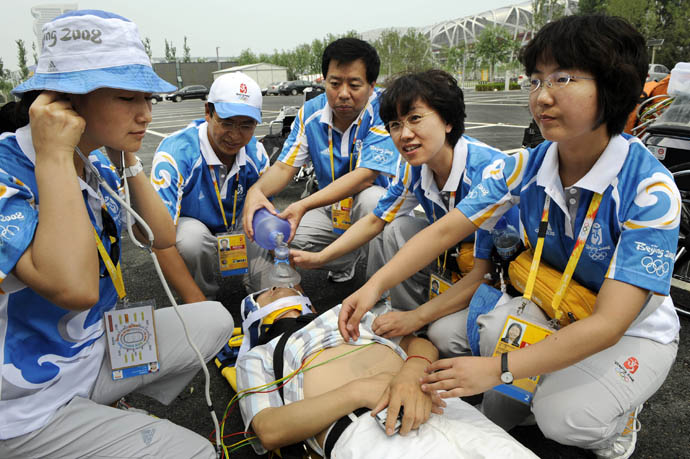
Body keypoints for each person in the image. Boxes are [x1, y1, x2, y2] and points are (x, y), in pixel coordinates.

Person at [338, 15, 680, 458]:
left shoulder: (650, 191)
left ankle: (618, 423)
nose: (542, 96)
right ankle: (549, 383)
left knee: (565, 418)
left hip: (632, 330)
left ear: (612, 86)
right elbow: (445, 230)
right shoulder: (525, 166)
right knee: (480, 339)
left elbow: (611, 323)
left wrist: (495, 370)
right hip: (552, 303)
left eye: (562, 78)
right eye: (535, 80)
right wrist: (373, 288)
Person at [0, 11, 232, 458]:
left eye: (147, 98)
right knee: (198, 453)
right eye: (128, 97)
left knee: (215, 320)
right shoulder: (10, 173)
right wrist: (53, 157)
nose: (146, 114)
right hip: (29, 403)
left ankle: (101, 409)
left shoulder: (91, 162)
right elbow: (76, 289)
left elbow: (160, 236)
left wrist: (126, 158)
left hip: (88, 352)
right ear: (63, 101)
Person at [292, 70, 511, 356]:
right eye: (395, 124)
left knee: (444, 335)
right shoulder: (415, 168)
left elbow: (486, 273)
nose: (404, 134)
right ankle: (412, 329)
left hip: (502, 277)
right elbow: (375, 220)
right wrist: (321, 258)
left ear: (448, 121)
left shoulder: (488, 172)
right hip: (459, 262)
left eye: (415, 118)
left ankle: (422, 327)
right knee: (398, 228)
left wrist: (416, 316)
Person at [235, 287, 538, 458]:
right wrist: (358, 391)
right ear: (254, 315)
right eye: (267, 291)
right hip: (367, 430)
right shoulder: (257, 356)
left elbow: (419, 344)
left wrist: (412, 371)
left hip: (435, 400)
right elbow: (269, 430)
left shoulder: (350, 316)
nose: (278, 287)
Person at [242, 38, 400, 282]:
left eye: (354, 85)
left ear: (371, 86)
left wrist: (302, 205)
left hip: (376, 210)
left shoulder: (385, 109)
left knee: (373, 199)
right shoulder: (310, 113)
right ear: (324, 81)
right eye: (335, 83)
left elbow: (365, 177)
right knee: (277, 237)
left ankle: (381, 292)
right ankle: (344, 259)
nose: (343, 94)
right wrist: (256, 191)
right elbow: (284, 167)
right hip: (329, 208)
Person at [151, 72, 272, 302]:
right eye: (227, 123)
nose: (235, 136)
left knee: (263, 220)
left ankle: (262, 290)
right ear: (208, 112)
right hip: (191, 225)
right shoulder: (175, 153)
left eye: (246, 125)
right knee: (191, 240)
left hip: (236, 222)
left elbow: (266, 211)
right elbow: (158, 235)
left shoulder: (256, 153)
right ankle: (202, 296)